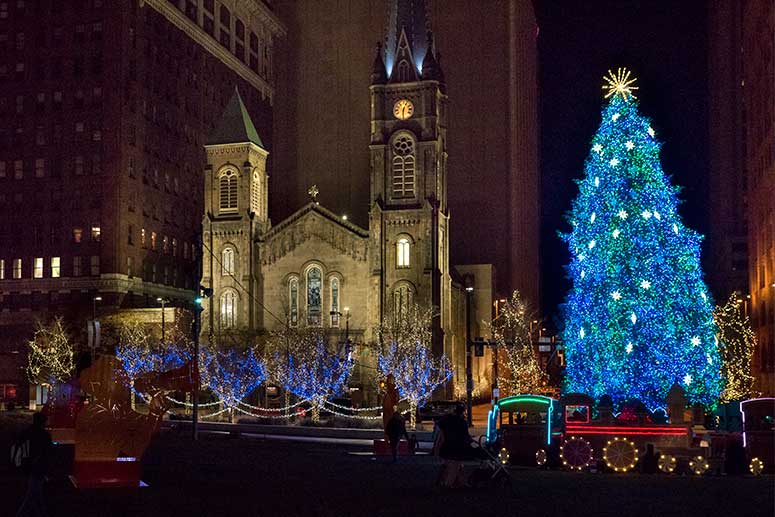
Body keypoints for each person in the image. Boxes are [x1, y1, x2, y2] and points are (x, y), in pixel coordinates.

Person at [15, 412, 52, 517]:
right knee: (33, 492)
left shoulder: (26, 432)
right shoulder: (45, 435)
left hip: (27, 464)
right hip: (39, 466)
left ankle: (40, 512)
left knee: (34, 491)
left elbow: (19, 445)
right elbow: (47, 452)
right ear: (43, 422)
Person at [435, 404, 474, 487]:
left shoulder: (446, 421)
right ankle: (448, 484)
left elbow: (441, 436)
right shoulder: (462, 423)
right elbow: (465, 436)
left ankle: (462, 481)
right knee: (454, 466)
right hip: (456, 448)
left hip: (446, 447)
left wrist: (437, 448)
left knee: (452, 465)